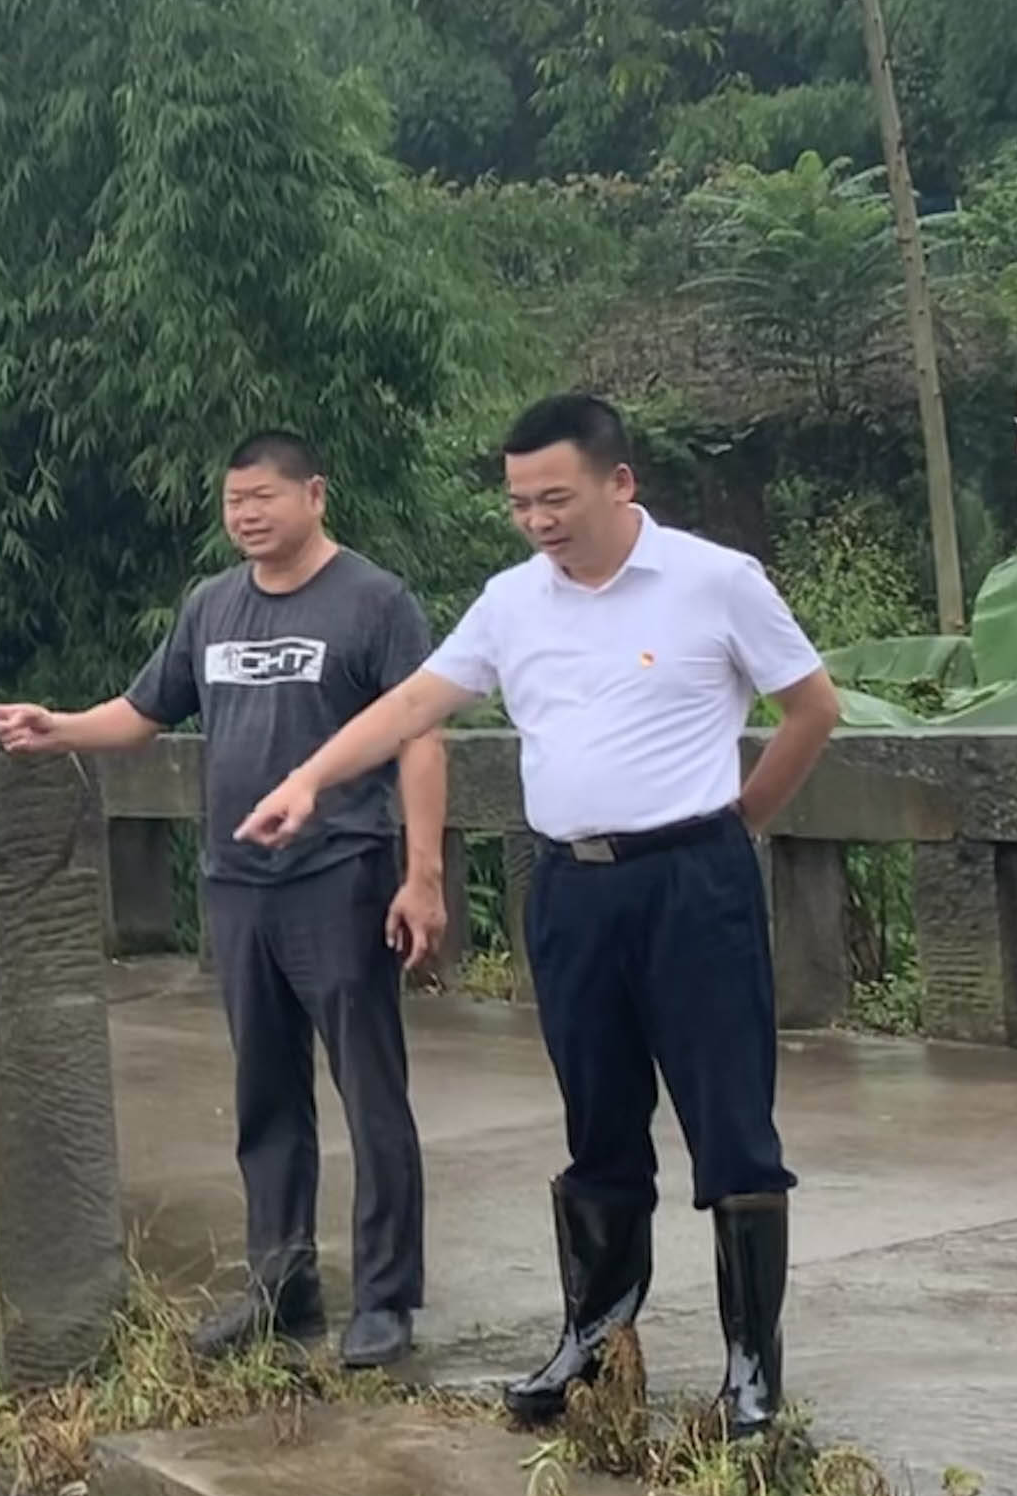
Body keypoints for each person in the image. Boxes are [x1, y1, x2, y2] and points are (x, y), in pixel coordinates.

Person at [241, 395, 842, 1436]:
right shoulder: (513, 601)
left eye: (554, 498)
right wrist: (312, 776)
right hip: (570, 887)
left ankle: (752, 1363)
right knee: (597, 1119)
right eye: (520, 502)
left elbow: (812, 707)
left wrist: (744, 818)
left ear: (620, 482)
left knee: (730, 1122)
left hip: (693, 882)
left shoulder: (715, 581)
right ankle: (595, 1340)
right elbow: (414, 705)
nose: (537, 520)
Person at [0, 431, 447, 1368]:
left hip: (341, 873)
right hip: (237, 887)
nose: (246, 515)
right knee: (264, 1095)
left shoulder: (375, 601)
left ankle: (387, 1299)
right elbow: (145, 711)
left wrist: (422, 874)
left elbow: (421, 740)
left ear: (315, 494)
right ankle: (281, 1286)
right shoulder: (212, 606)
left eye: (264, 497)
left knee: (370, 1090)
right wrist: (58, 727)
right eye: (233, 501)